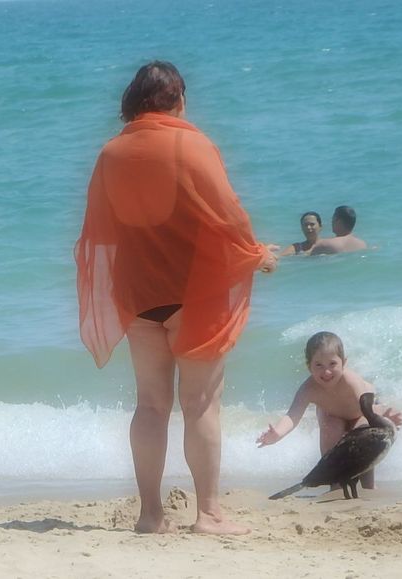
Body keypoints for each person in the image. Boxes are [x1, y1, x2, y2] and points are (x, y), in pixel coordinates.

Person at [76, 61, 277, 535]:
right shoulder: (192, 143)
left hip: (137, 291)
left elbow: (102, 229)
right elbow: (227, 213)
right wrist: (256, 254)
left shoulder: (110, 153)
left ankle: (150, 515)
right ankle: (208, 514)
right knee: (201, 402)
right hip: (192, 289)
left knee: (150, 404)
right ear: (179, 99)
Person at [257, 331, 402, 490]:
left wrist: (385, 413)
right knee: (330, 431)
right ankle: (335, 484)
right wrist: (277, 433)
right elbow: (293, 415)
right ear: (309, 366)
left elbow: (367, 408)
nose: (326, 372)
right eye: (318, 365)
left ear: (343, 362)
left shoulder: (351, 381)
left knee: (364, 435)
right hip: (332, 415)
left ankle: (369, 485)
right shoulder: (308, 389)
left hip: (362, 412)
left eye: (332, 364)